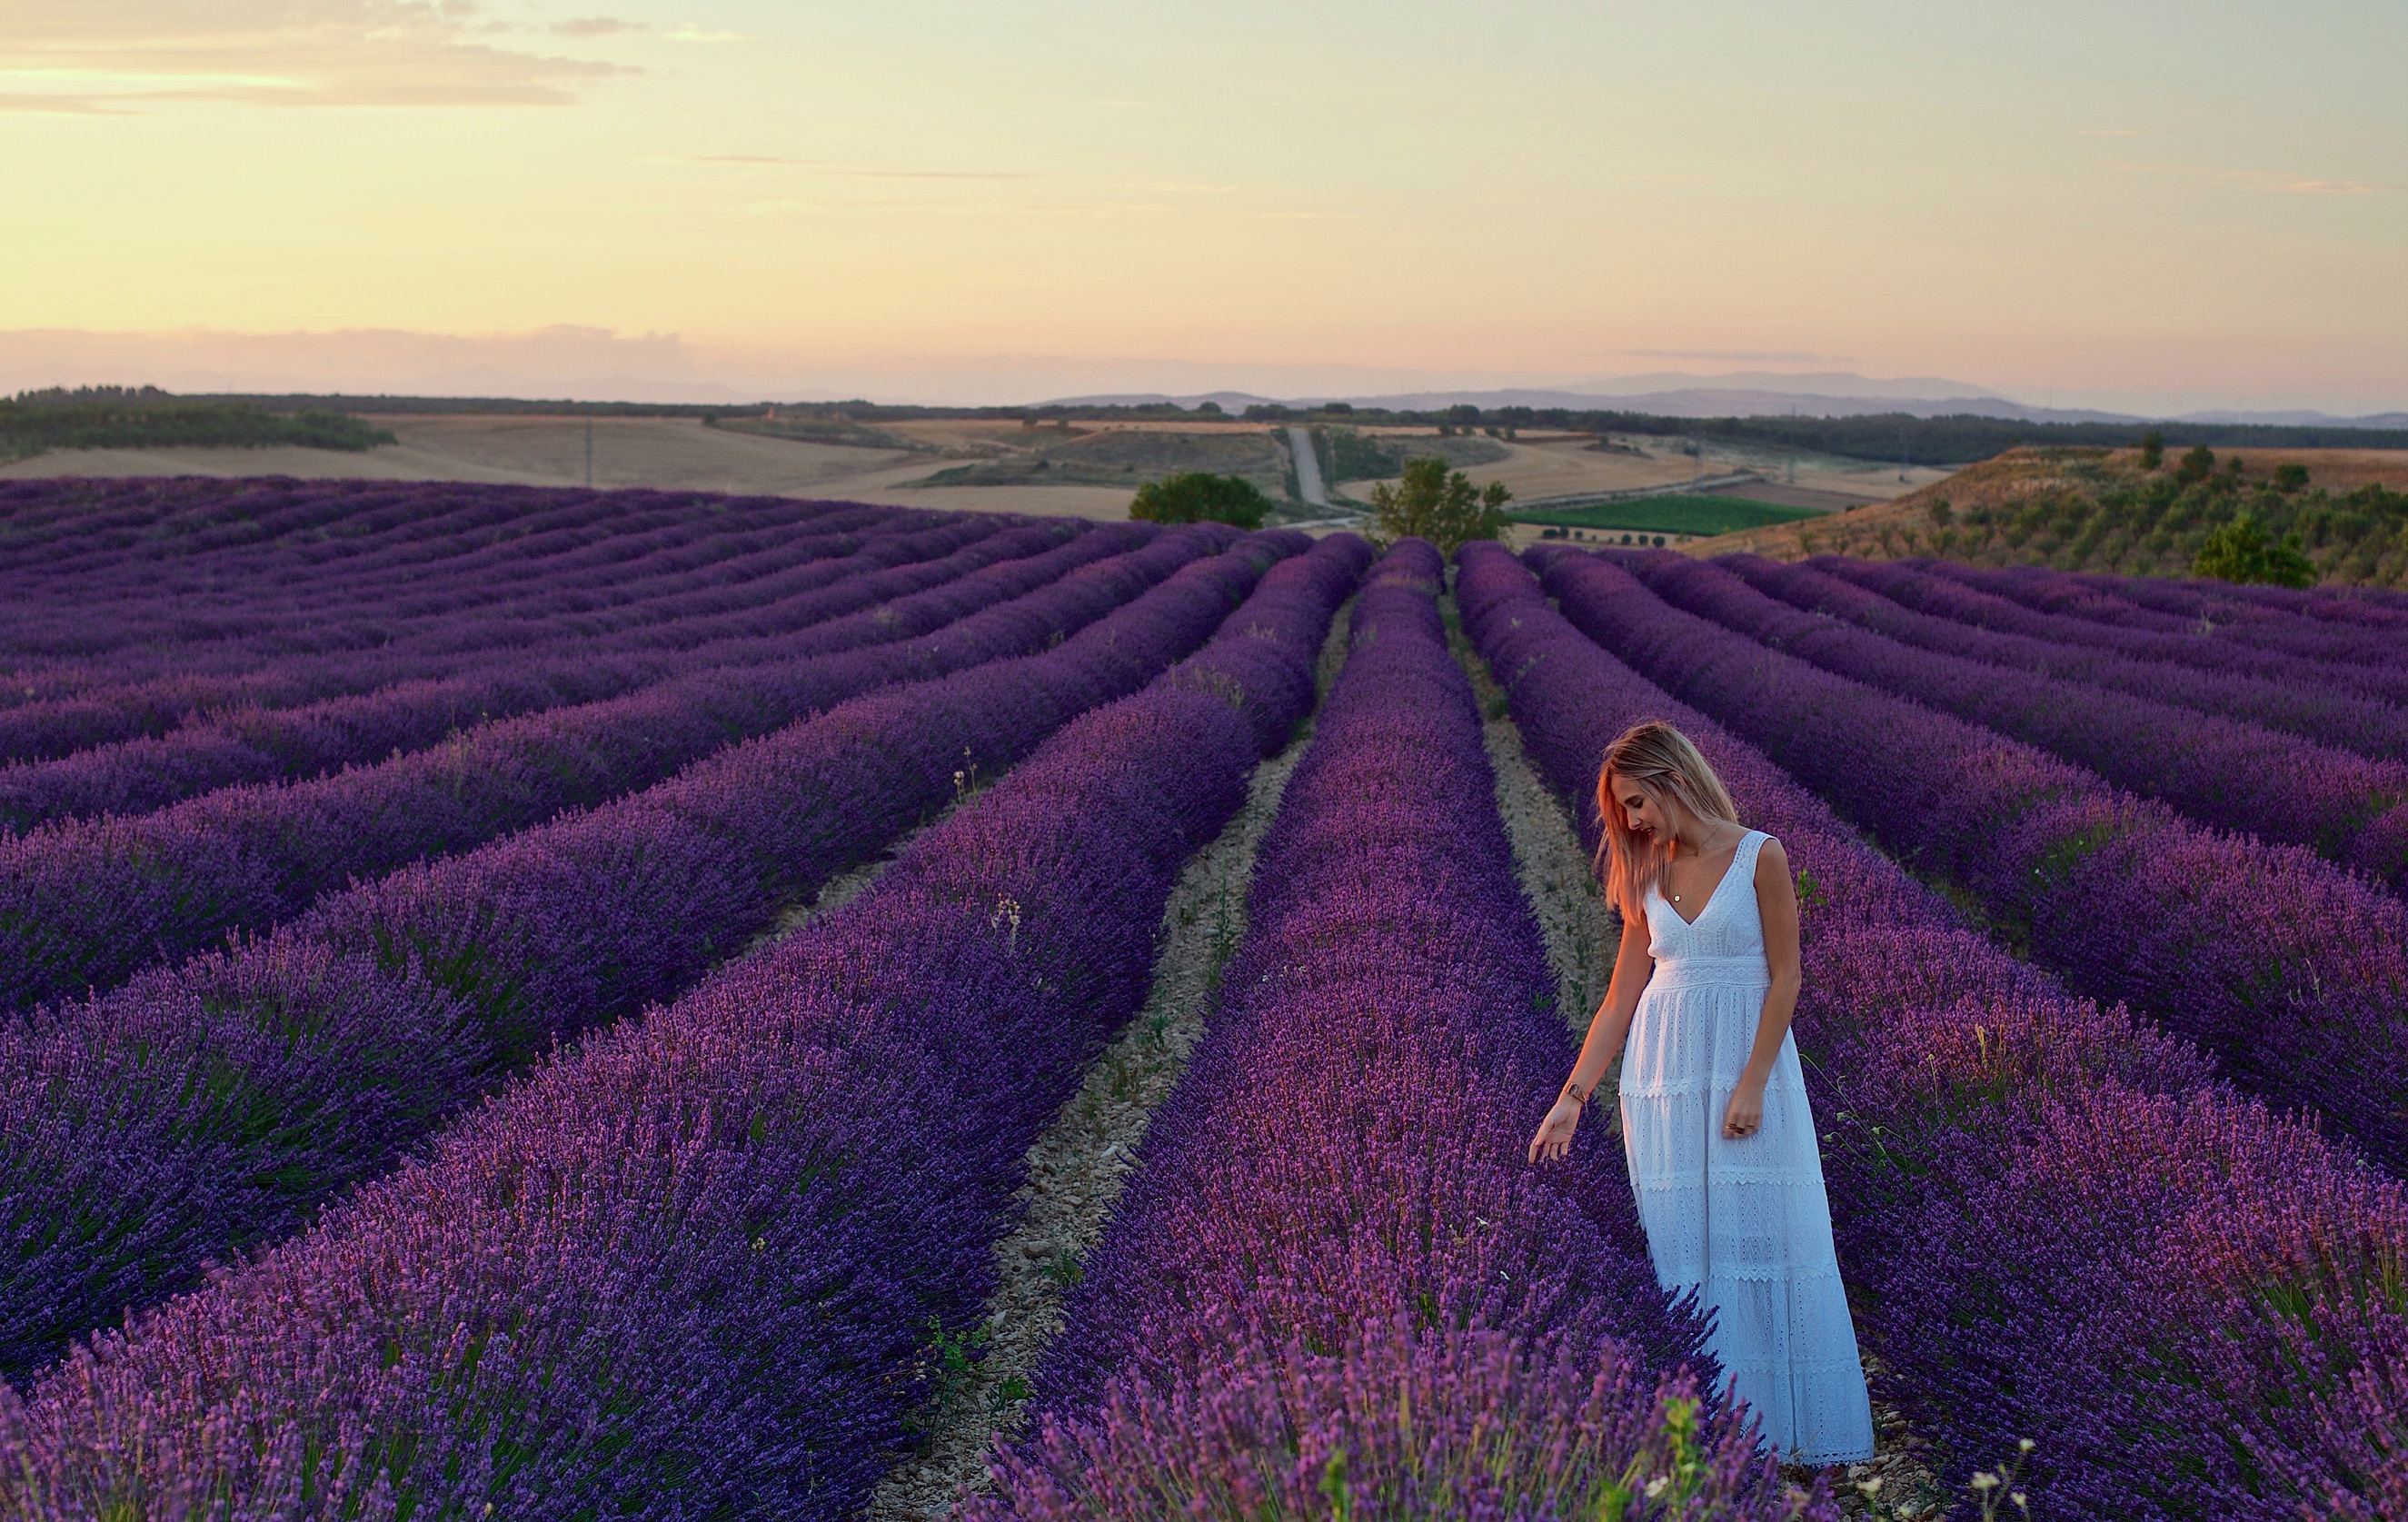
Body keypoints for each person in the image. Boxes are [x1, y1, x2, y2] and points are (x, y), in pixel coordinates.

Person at [1527, 719, 1875, 1466]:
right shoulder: (1646, 868)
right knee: (1682, 1248)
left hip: (1749, 1076)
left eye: (1635, 802)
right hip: (1665, 1083)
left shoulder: (1760, 854)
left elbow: (1786, 976)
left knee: (1765, 1235)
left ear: (1672, 778)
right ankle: (1710, 1434)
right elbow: (1621, 997)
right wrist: (1574, 1094)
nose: (1631, 820)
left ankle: (1782, 1434)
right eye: (1622, 810)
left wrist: (1752, 1082)